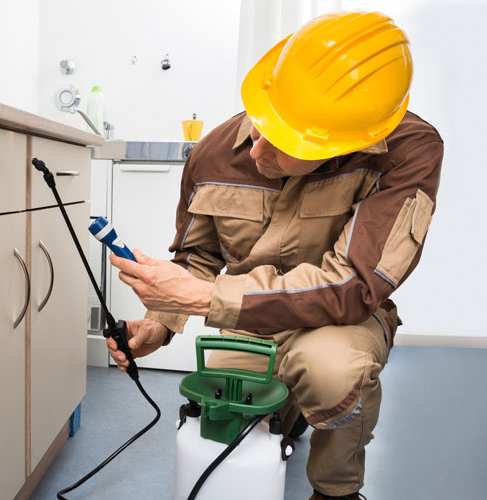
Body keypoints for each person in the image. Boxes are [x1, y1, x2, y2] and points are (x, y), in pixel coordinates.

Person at [106, 11, 443, 500]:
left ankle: (336, 490)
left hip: (340, 322)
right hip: (247, 323)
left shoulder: (407, 153)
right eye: (262, 121)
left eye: (284, 144)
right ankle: (288, 414)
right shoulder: (215, 151)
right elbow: (196, 256)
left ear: (345, 144)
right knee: (229, 415)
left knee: (331, 372)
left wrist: (205, 298)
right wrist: (158, 324)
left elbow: (354, 284)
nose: (257, 149)